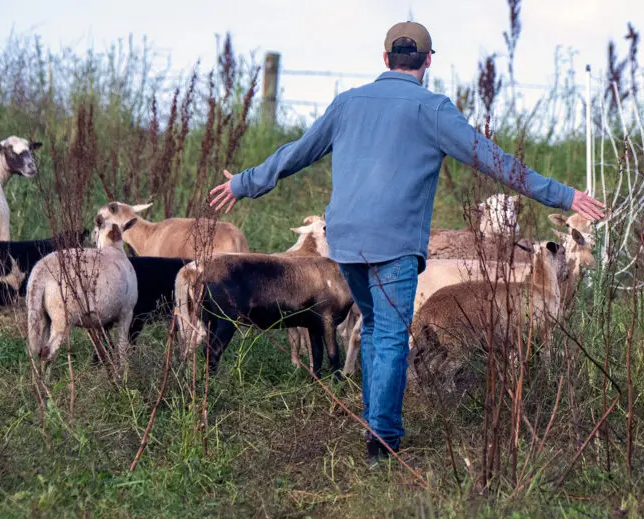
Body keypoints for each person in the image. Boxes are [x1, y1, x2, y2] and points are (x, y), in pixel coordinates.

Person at [207, 21, 607, 464]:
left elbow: (296, 152)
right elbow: (496, 162)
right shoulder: (433, 109)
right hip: (395, 247)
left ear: (385, 60)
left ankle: (374, 422)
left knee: (377, 328)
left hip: (347, 248)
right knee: (392, 334)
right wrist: (565, 195)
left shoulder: (347, 103)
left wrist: (246, 182)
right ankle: (382, 440)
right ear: (428, 61)